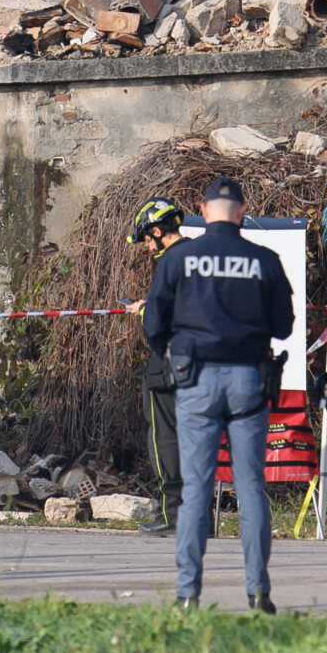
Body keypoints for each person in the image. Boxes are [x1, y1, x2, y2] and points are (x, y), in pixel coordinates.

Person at [142, 176, 294, 613]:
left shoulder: (179, 258)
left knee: (195, 490)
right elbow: (284, 326)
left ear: (203, 212)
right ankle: (259, 592)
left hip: (195, 381)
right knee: (249, 487)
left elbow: (155, 326)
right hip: (248, 379)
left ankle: (188, 595)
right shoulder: (263, 260)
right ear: (243, 211)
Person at [128, 198, 191, 537]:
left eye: (146, 239)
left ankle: (175, 516)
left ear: (156, 231)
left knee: (165, 436)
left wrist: (143, 310)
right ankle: (200, 516)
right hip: (204, 364)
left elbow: (156, 324)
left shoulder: (169, 260)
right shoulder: (202, 254)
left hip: (168, 364)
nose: (147, 247)